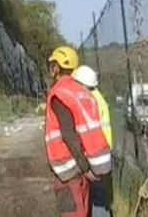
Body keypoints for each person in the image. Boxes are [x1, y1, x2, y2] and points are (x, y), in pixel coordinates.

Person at [44, 46, 112, 217]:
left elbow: (68, 135)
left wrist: (83, 165)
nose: (51, 69)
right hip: (83, 170)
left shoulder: (60, 93)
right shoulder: (81, 92)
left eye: (53, 64)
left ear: (57, 67)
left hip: (68, 172)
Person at [72, 65, 113, 217]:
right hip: (103, 152)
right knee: (99, 197)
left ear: (83, 84)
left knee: (98, 198)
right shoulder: (97, 97)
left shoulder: (89, 100)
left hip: (97, 154)